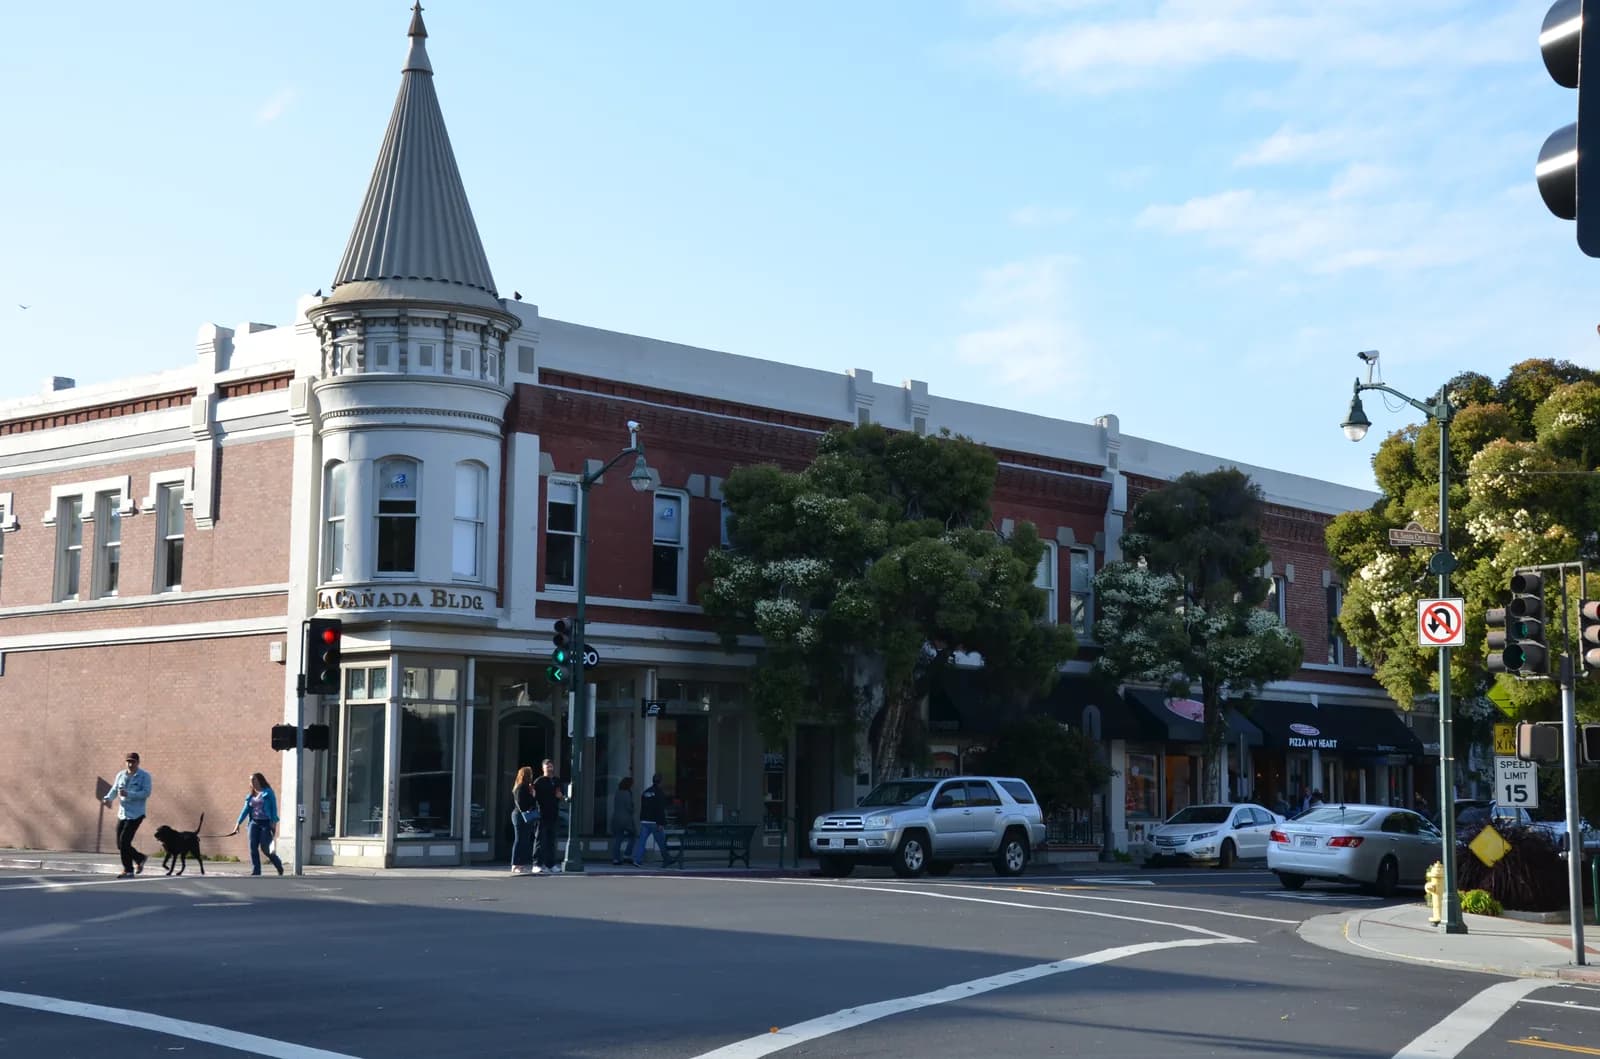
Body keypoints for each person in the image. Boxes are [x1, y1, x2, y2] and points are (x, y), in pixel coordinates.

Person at [102, 752, 152, 878]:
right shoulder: (120, 775)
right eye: (128, 761)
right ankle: (139, 858)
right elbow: (114, 789)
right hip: (123, 813)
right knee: (120, 844)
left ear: (138, 762)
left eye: (133, 762)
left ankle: (128, 870)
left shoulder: (144, 776)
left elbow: (146, 793)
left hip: (136, 814)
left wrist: (129, 794)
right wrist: (108, 798)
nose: (130, 764)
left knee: (124, 842)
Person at [227, 772, 285, 876]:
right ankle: (256, 870)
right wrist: (238, 824)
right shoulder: (250, 796)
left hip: (265, 823)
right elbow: (245, 810)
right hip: (254, 822)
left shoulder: (268, 792)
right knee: (252, 847)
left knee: (265, 848)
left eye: (253, 779)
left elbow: (274, 809)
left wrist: (274, 823)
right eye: (250, 780)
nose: (252, 782)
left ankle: (278, 864)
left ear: (259, 780)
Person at [532, 758, 565, 874]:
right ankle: (537, 864)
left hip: (553, 814)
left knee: (551, 841)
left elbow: (562, 796)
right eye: (547, 767)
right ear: (543, 769)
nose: (549, 769)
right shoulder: (539, 781)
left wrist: (561, 796)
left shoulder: (557, 781)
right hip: (541, 814)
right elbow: (533, 797)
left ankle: (550, 864)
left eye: (551, 767)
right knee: (540, 840)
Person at [632, 773, 673, 867]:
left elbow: (643, 806)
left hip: (645, 821)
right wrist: (661, 823)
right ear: (661, 782)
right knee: (661, 841)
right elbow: (660, 809)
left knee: (642, 841)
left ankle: (637, 859)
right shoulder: (659, 793)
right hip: (655, 822)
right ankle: (667, 858)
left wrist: (642, 818)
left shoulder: (646, 792)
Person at [510, 765, 537, 876]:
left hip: (523, 815)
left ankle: (520, 864)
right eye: (529, 774)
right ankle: (515, 864)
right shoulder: (521, 787)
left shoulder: (526, 787)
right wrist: (533, 796)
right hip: (519, 815)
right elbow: (523, 804)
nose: (531, 776)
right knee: (519, 839)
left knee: (524, 840)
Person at [610, 777, 636, 865]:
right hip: (626, 819)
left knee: (618, 839)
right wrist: (633, 808)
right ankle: (627, 855)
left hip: (616, 818)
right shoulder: (627, 793)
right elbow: (629, 807)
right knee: (632, 836)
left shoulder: (617, 792)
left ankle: (616, 858)